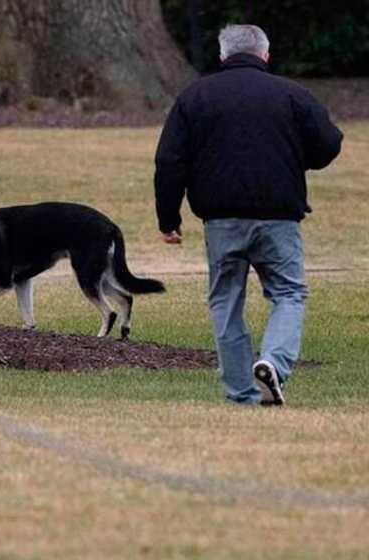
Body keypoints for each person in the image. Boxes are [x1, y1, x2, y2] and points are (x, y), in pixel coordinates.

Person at [154, 24, 343, 406]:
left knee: (226, 300)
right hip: (278, 217)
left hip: (221, 219)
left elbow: (170, 161)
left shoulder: (195, 97)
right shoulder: (291, 94)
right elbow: (328, 143)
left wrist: (168, 219)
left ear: (222, 56)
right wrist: (294, 159)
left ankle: (241, 394)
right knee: (288, 292)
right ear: (266, 55)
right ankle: (273, 360)